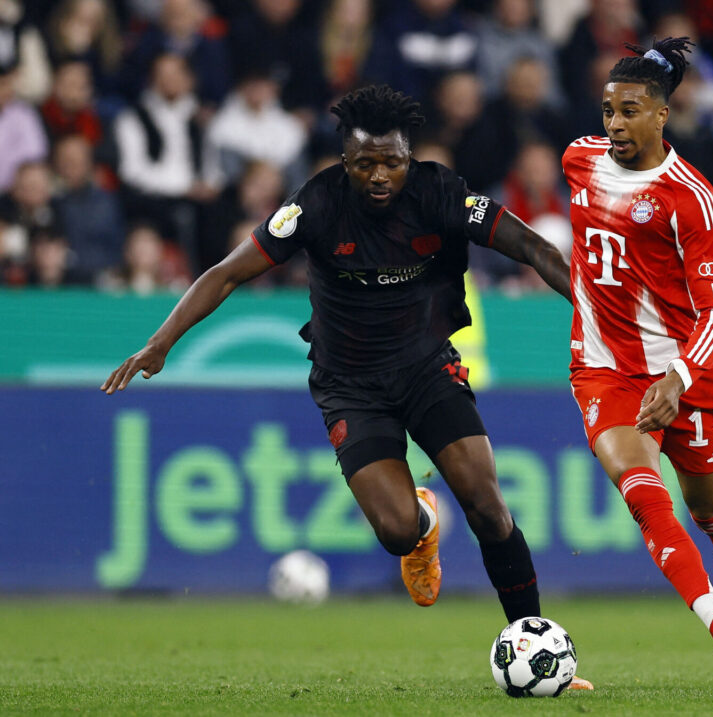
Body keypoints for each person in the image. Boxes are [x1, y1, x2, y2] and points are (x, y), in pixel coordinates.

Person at [101, 84, 592, 691]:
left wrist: (591, 310)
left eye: (392, 162)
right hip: (350, 386)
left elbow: (533, 247)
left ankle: (535, 643)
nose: (379, 175)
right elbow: (227, 273)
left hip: (427, 369)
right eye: (364, 164)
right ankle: (423, 524)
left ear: (409, 158)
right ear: (344, 161)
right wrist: (160, 342)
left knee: (489, 508)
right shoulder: (316, 205)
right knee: (396, 532)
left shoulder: (442, 192)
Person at [561, 37, 713, 674]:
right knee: (645, 496)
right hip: (604, 368)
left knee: (712, 513)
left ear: (661, 115)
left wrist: (678, 377)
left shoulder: (689, 197)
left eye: (629, 111)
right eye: (608, 111)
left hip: (683, 374)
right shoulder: (578, 159)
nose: (615, 124)